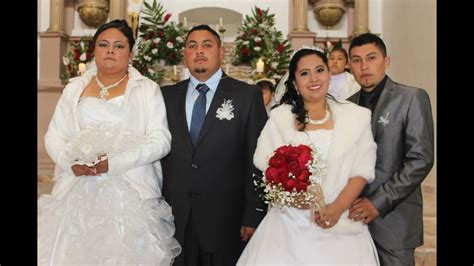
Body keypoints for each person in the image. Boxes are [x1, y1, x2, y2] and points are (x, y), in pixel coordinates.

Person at [38, 19, 181, 265]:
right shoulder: (74, 89)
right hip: (76, 189)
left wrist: (112, 163)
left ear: (131, 52)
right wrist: (69, 162)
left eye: (119, 45)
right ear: (94, 51)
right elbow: (54, 136)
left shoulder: (147, 89)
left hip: (129, 190)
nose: (110, 50)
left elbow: (161, 141)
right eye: (103, 45)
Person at [237, 47, 379, 265]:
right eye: (304, 73)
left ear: (329, 75)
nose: (314, 78)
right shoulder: (280, 119)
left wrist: (337, 208)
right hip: (289, 226)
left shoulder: (356, 117)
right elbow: (266, 170)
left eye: (320, 70)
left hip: (341, 225)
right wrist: (294, 198)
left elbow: (362, 170)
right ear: (294, 83)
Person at [160, 24, 268, 266]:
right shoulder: (165, 97)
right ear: (184, 54)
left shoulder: (246, 96)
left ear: (221, 52)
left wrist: (254, 213)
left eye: (207, 45)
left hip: (226, 220)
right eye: (192, 46)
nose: (199, 51)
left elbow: (257, 157)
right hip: (175, 219)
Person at [346, 33, 434, 266]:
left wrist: (378, 202)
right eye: (356, 60)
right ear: (349, 66)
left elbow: (420, 158)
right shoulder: (346, 106)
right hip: (352, 220)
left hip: (395, 220)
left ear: (386, 61)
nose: (364, 66)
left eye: (371, 57)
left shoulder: (411, 97)